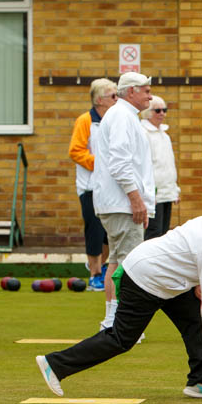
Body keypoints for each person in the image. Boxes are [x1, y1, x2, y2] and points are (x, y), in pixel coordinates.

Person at [36, 193, 202, 399]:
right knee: (121, 339)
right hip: (144, 278)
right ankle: (55, 365)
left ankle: (201, 383)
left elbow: (191, 258)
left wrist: (198, 282)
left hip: (166, 278)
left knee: (194, 320)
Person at [89, 72, 155, 333]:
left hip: (120, 203)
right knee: (130, 264)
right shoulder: (121, 117)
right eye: (146, 90)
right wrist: (136, 199)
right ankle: (122, 325)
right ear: (131, 92)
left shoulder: (124, 116)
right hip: (121, 204)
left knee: (117, 261)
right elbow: (119, 162)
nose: (150, 95)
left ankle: (113, 320)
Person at [69, 79, 116, 291]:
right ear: (99, 100)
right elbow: (76, 151)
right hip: (90, 186)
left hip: (111, 185)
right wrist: (101, 165)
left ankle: (103, 267)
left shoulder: (116, 120)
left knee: (108, 231)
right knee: (94, 231)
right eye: (113, 96)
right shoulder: (85, 120)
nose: (117, 100)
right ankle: (94, 273)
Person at [141, 95, 180, 239]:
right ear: (148, 112)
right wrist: (148, 193)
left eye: (164, 110)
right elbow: (145, 166)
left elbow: (169, 165)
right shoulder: (144, 133)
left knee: (163, 233)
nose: (162, 113)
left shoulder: (165, 135)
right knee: (153, 231)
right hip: (153, 194)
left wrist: (174, 190)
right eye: (157, 110)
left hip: (166, 193)